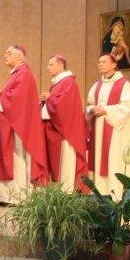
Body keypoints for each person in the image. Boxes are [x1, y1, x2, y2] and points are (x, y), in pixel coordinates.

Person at [0, 45, 48, 205]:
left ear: (20, 57)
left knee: (16, 157)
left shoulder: (24, 74)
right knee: (7, 156)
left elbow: (17, 100)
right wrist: (2, 95)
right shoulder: (16, 74)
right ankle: (3, 195)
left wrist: (0, 94)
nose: (5, 55)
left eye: (9, 53)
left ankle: (15, 196)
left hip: (18, 125)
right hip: (10, 122)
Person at [86, 54, 130, 195]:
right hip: (98, 130)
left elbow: (127, 108)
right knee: (99, 159)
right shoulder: (97, 85)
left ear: (114, 65)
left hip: (115, 131)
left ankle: (115, 192)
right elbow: (90, 104)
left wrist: (106, 110)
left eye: (104, 61)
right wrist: (92, 110)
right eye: (99, 62)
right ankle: (100, 193)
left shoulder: (124, 84)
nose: (100, 64)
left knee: (113, 160)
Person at [39, 56, 87, 192]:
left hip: (65, 133)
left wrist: (50, 98)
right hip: (55, 129)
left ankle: (67, 190)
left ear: (61, 66)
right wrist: (46, 100)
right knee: (56, 163)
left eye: (51, 64)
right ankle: (58, 189)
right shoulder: (56, 84)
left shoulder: (68, 82)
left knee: (65, 162)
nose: (48, 68)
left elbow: (64, 107)